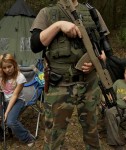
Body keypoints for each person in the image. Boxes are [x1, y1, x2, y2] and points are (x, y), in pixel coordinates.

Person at [30, 0, 111, 149]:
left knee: (92, 133)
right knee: (54, 135)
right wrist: (58, 25)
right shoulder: (47, 13)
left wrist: (97, 60)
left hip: (89, 84)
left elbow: (104, 46)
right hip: (59, 85)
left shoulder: (92, 12)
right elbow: (35, 44)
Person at [0, 53, 35, 147]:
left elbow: (15, 95)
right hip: (4, 99)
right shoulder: (1, 75)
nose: (7, 70)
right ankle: (4, 133)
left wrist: (6, 112)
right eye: (4, 68)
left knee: (10, 121)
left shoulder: (20, 78)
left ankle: (27, 137)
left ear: (14, 64)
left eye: (9, 66)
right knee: (3, 120)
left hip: (17, 100)